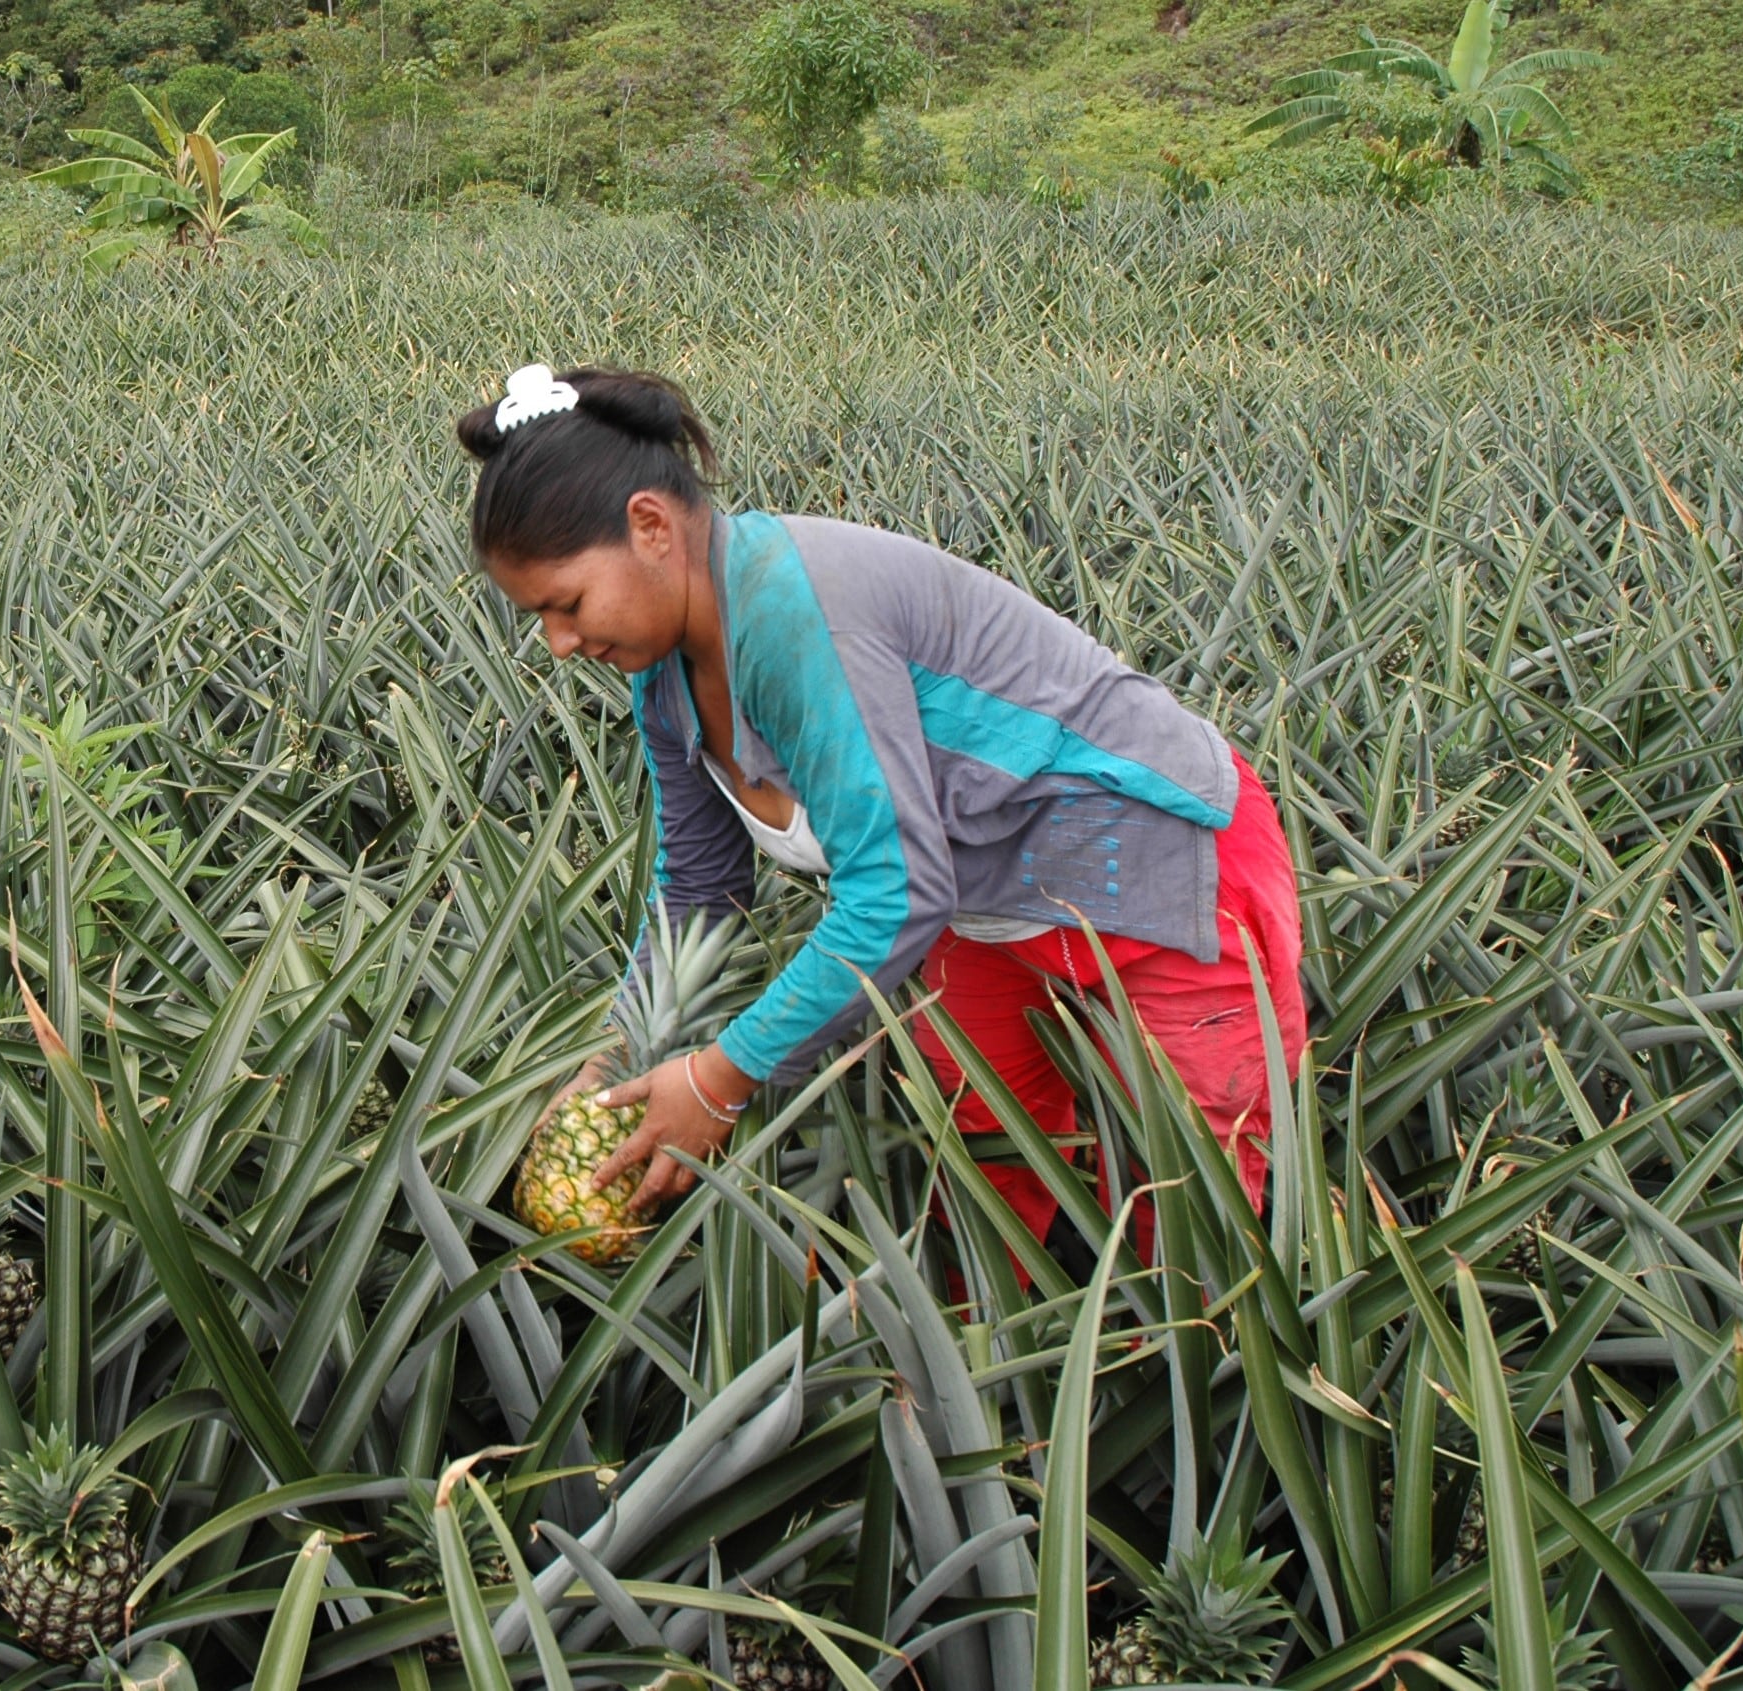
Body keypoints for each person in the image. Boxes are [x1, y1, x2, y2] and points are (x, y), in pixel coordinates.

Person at [458, 363, 1306, 1256]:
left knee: (1193, 1202)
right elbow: (699, 891)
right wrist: (610, 1063)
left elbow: (896, 890)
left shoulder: (791, 614)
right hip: (981, 899)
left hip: (1157, 867)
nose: (559, 642)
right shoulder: (661, 677)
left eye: (566, 604)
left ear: (651, 526)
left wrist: (719, 1078)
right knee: (981, 1170)